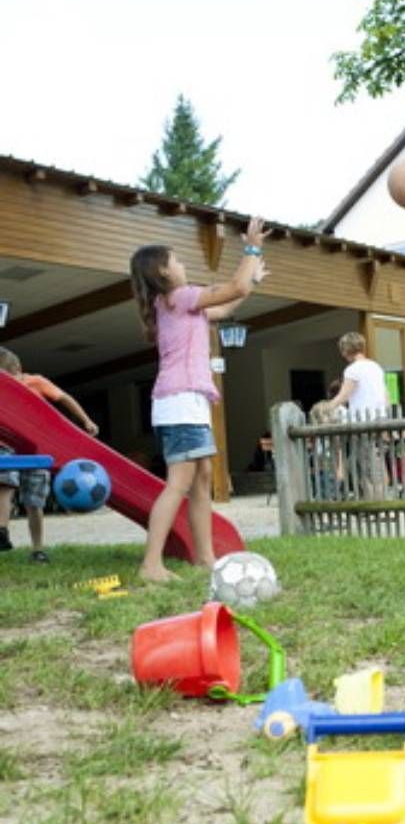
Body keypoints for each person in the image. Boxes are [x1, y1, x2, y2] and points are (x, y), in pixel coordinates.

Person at [128, 217, 267, 582]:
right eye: (176, 260)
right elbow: (234, 286)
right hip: (181, 402)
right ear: (162, 271)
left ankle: (204, 558)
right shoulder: (181, 297)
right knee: (179, 483)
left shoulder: (175, 304)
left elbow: (228, 303)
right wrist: (251, 249)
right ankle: (151, 565)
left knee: (202, 478)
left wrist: (250, 281)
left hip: (185, 403)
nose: (183, 265)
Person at [0, 347, 100, 563]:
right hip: (6, 445)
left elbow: (65, 398)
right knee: (5, 482)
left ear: (18, 370)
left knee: (34, 501)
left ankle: (38, 549)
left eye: (9, 379)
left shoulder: (35, 382)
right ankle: (2, 530)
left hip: (36, 447)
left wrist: (85, 420)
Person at [318, 333, 389, 499]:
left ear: (346, 350)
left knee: (365, 465)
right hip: (380, 419)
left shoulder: (352, 369)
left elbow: (343, 395)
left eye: (342, 350)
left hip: (362, 422)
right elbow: (385, 394)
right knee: (377, 463)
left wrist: (326, 408)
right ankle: (379, 501)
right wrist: (385, 415)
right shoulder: (375, 366)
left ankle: (375, 505)